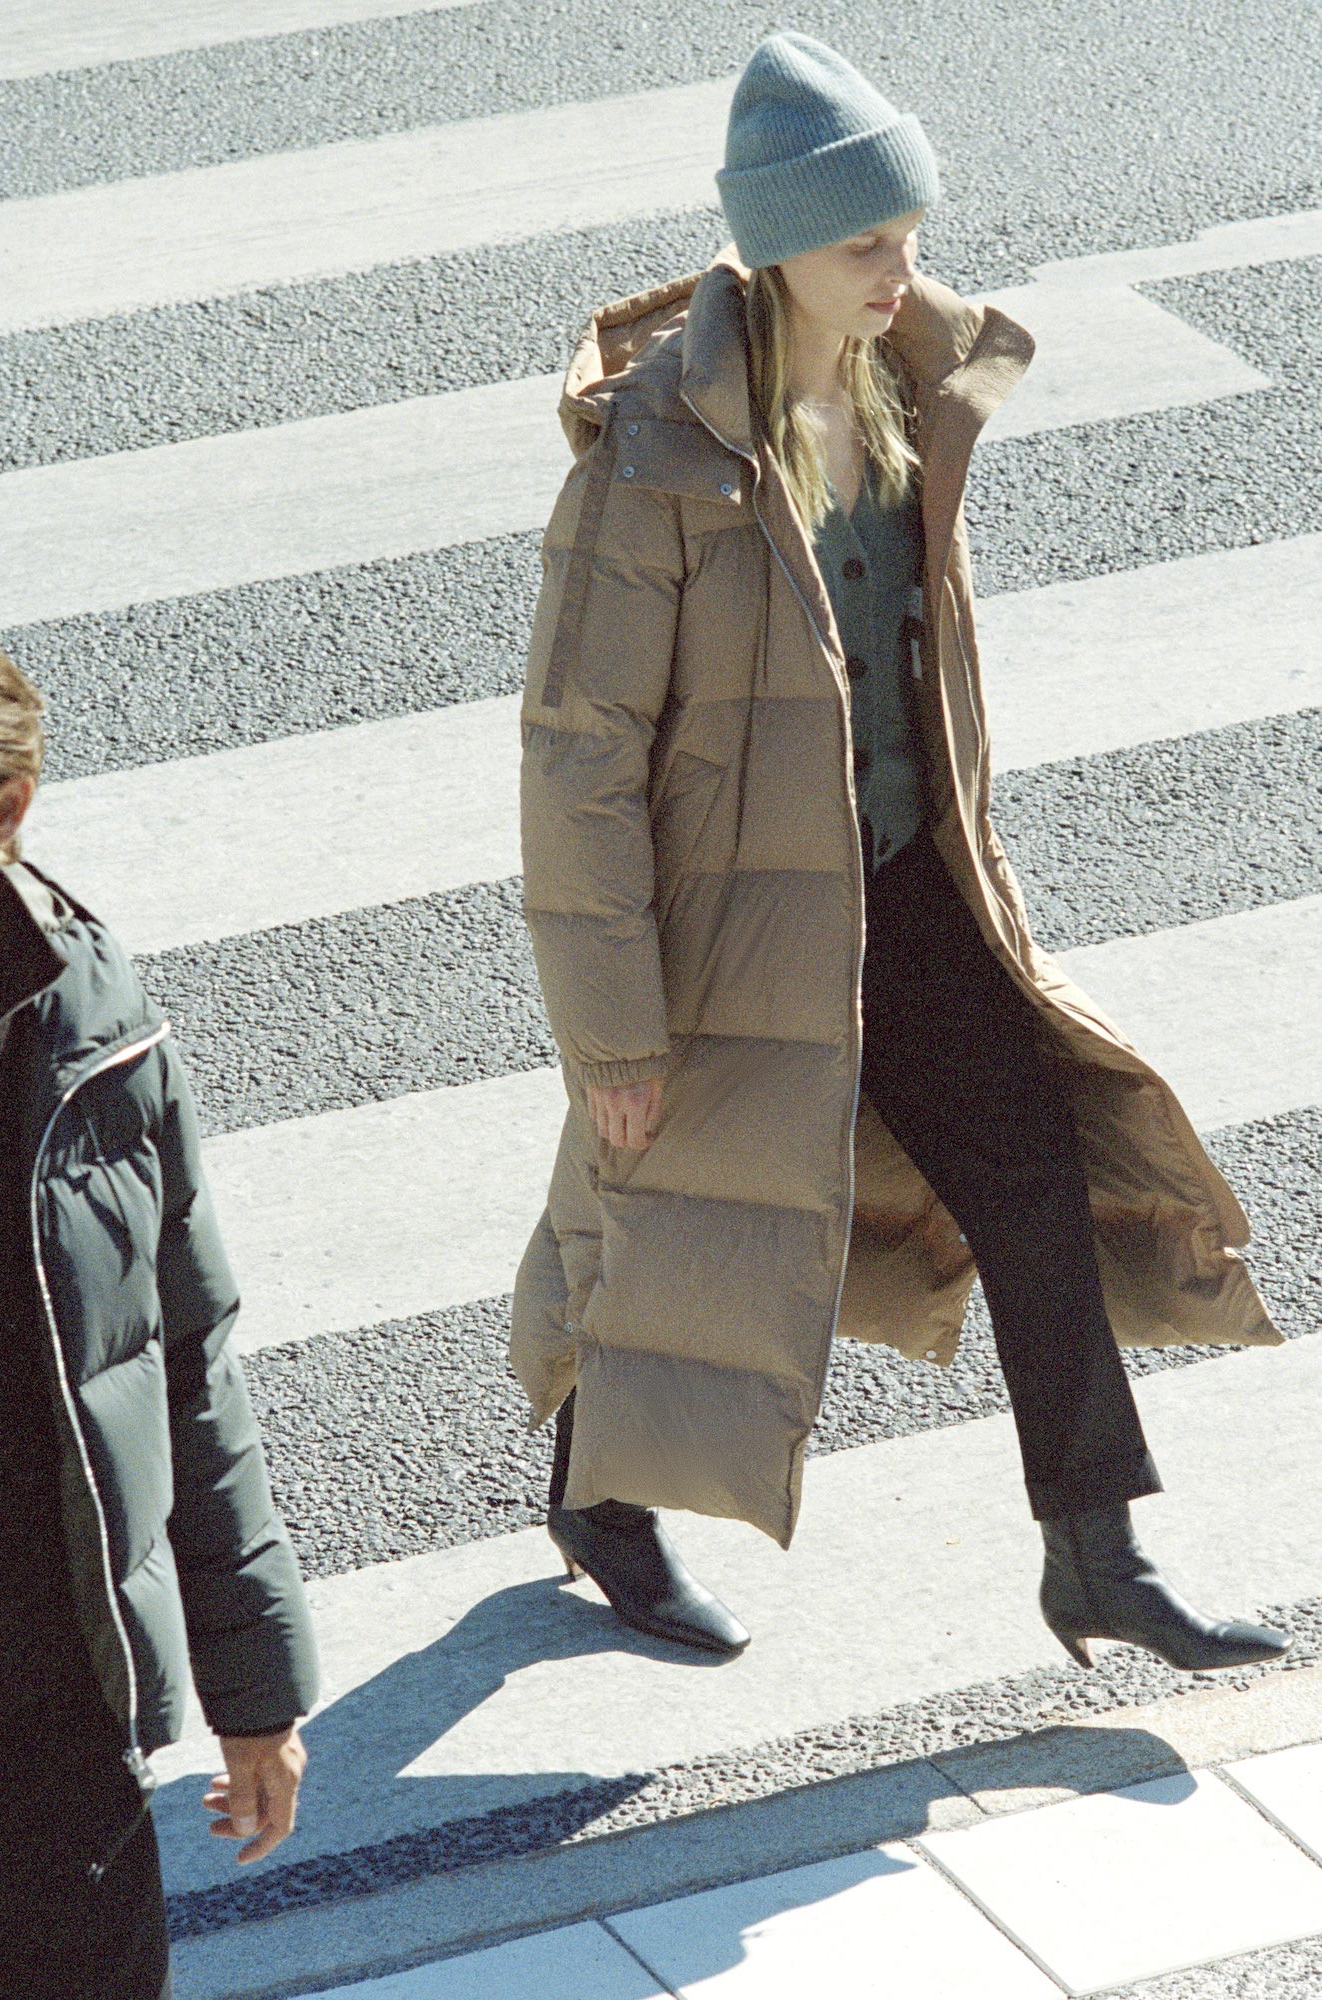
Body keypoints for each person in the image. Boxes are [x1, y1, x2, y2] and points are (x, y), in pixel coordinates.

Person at [511, 32, 1291, 1672]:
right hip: (733, 919)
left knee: (1031, 1176)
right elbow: (579, 764)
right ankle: (600, 1498)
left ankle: (1097, 1555)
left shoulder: (902, 388)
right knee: (680, 1214)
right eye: (868, 241)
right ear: (778, 244)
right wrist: (616, 1032)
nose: (900, 270)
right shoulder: (656, 463)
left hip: (905, 881)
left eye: (911, 235)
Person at [0, 598, 321, 1999]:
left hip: (54, 1735)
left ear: (5, 815)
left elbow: (185, 1366)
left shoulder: (101, 1041)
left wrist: (256, 1689)